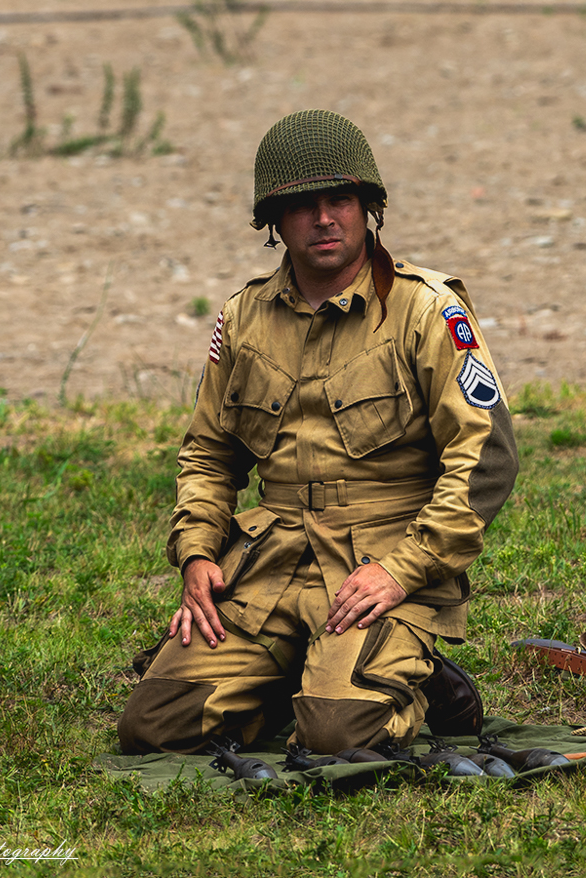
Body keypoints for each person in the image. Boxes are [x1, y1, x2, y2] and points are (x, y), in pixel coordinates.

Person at [115, 110, 519, 757]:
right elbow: (209, 453)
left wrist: (403, 570)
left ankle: (421, 682)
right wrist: (196, 554)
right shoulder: (243, 317)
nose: (324, 219)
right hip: (269, 565)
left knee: (336, 737)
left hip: (380, 562)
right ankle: (295, 674)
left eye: (340, 200)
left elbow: (486, 457)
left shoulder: (425, 309)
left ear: (368, 208)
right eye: (303, 205)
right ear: (275, 221)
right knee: (153, 727)